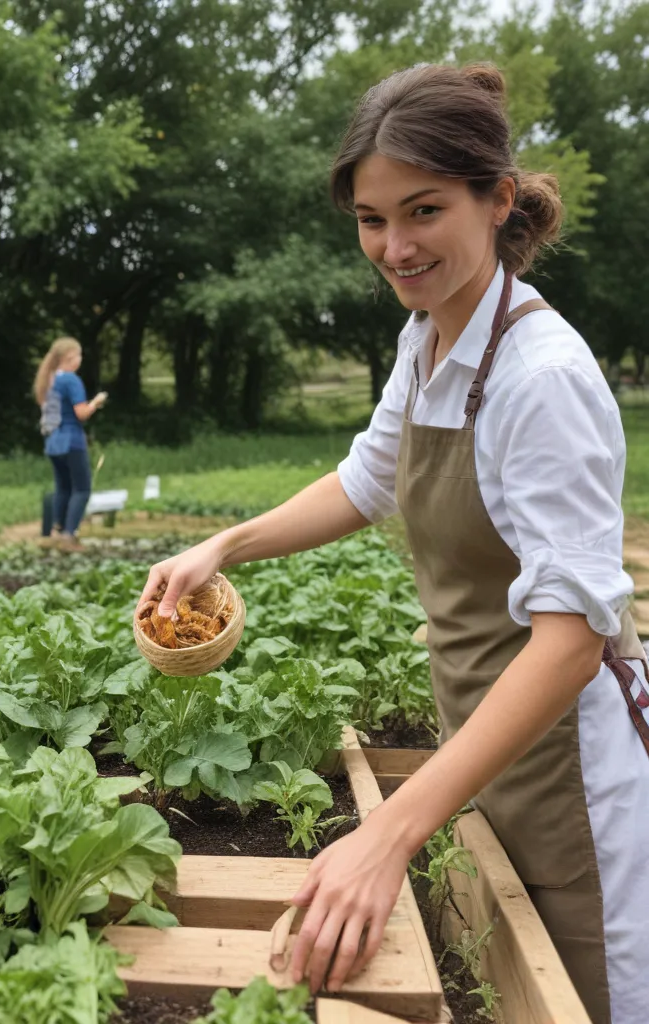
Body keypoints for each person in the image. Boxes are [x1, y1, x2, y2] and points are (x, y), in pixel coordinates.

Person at [139, 64, 649, 1024]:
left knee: (584, 993)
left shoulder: (540, 380)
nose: (395, 246)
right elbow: (365, 480)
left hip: (567, 773)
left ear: (497, 200)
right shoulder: (429, 338)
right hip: (485, 744)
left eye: (423, 210)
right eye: (372, 220)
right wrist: (223, 547)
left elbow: (573, 639)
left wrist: (388, 835)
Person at [33, 337, 107, 551]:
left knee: (63, 488)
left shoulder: (48, 380)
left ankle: (57, 531)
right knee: (82, 489)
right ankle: (69, 535)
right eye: (79, 355)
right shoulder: (71, 380)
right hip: (71, 440)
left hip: (52, 441)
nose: (81, 359)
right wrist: (96, 403)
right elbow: (81, 413)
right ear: (70, 357)